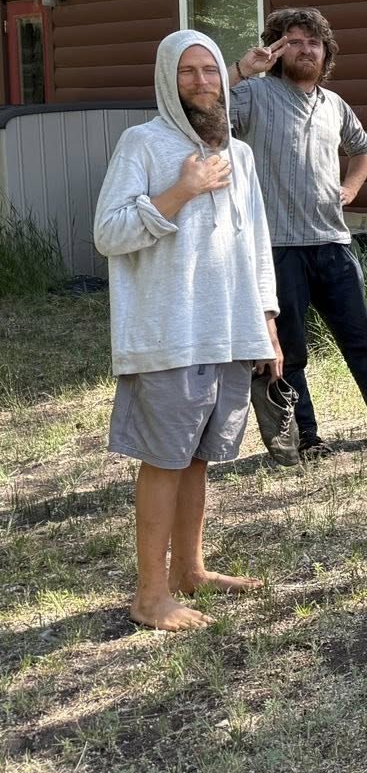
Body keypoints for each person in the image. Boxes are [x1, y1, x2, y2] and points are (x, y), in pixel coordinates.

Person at [93, 31, 281, 630]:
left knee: (199, 457)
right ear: (166, 81)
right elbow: (108, 233)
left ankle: (190, 570)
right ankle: (150, 595)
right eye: (188, 73)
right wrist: (180, 191)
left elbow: (256, 243)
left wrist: (266, 323)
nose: (202, 82)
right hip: (167, 334)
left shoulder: (241, 155)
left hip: (226, 331)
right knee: (165, 459)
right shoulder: (141, 144)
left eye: (209, 71)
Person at [230, 8, 367, 459]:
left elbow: (363, 149)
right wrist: (238, 71)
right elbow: (205, 119)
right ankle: (305, 437)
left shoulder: (333, 105)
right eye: (293, 40)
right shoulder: (252, 94)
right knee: (289, 350)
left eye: (314, 42)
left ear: (325, 52)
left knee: (362, 341)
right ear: (275, 47)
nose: (305, 49)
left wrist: (350, 187)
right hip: (276, 247)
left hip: (333, 242)